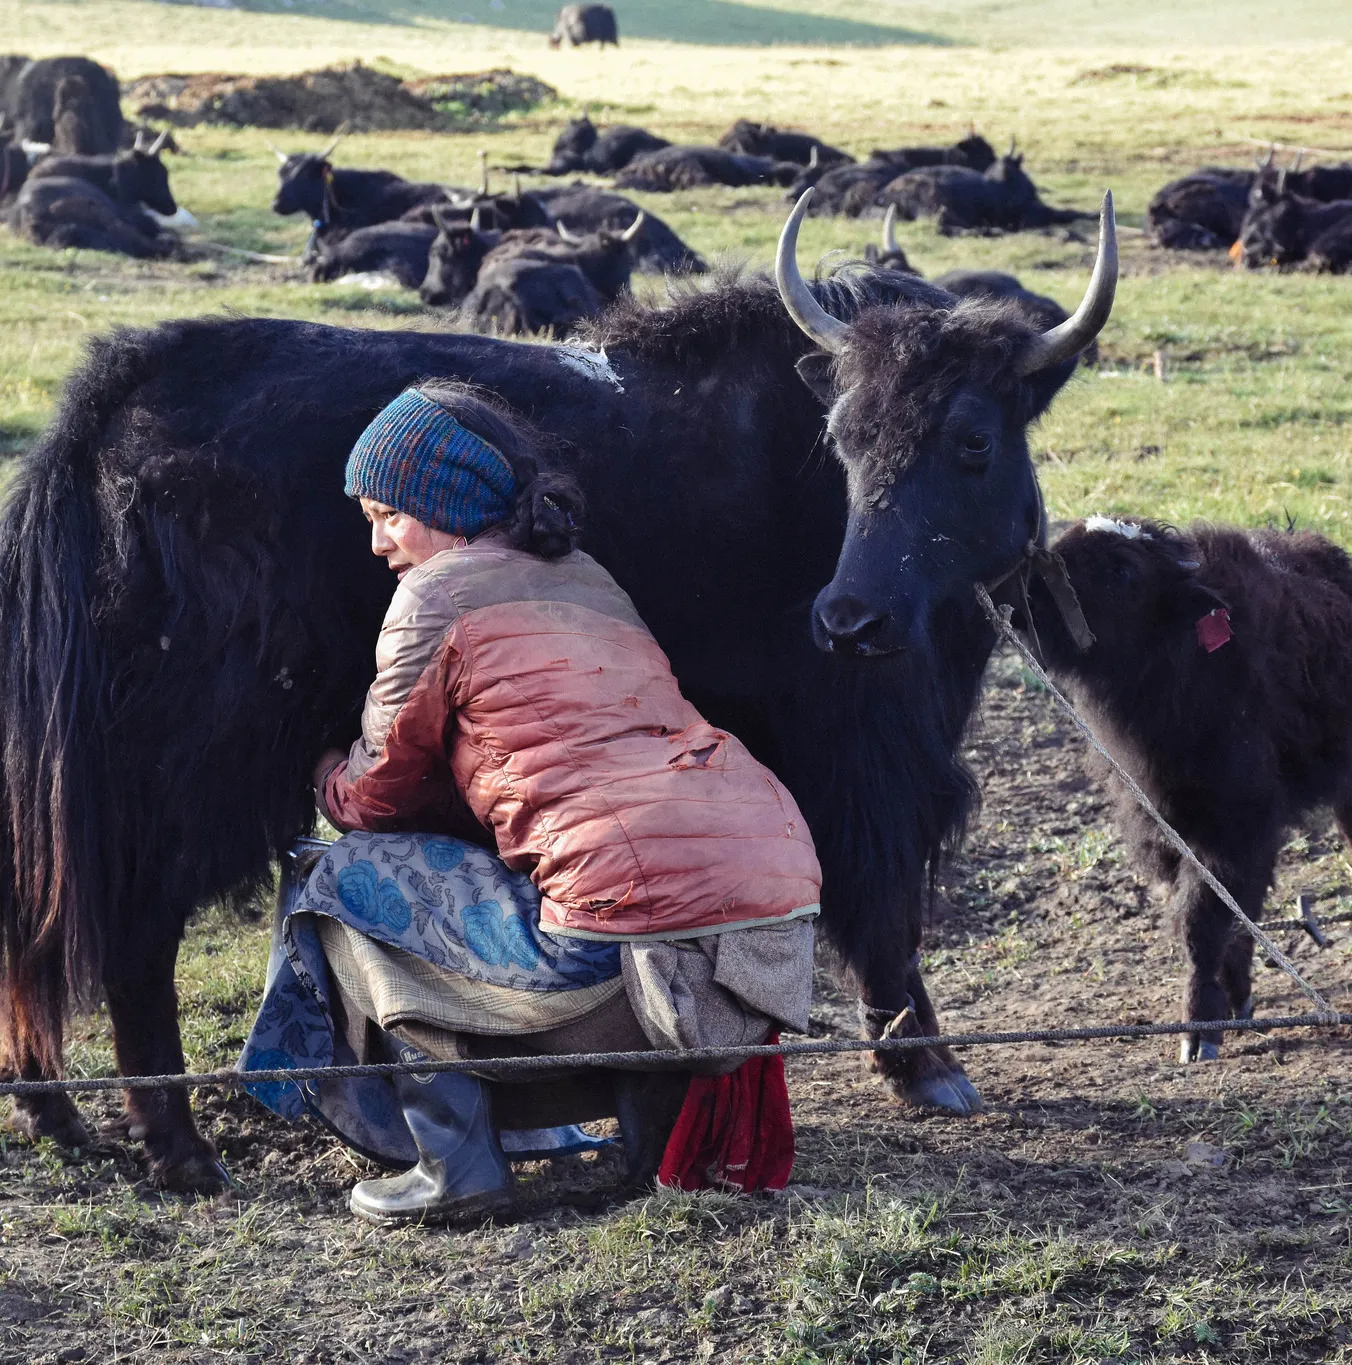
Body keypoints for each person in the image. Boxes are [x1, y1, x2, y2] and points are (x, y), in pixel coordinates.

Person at [240, 381, 820, 1227]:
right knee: (579, 874)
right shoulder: (590, 578)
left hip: (624, 959)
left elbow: (373, 796)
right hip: (762, 936)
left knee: (344, 878)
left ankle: (456, 1165)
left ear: (441, 504)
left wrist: (323, 765)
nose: (376, 543)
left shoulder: (434, 596)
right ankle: (646, 1134)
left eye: (387, 515)